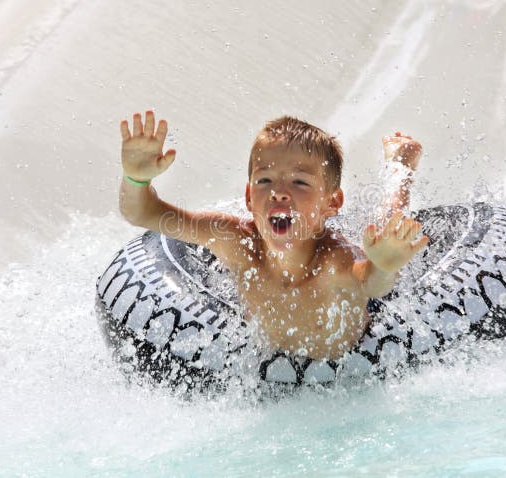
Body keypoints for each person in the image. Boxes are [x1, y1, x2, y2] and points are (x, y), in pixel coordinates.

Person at [119, 111, 428, 361]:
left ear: (332, 203)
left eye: (299, 182)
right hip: (276, 354)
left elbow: (373, 285)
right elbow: (143, 214)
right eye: (265, 179)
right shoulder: (234, 240)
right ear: (249, 197)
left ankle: (400, 170)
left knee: (386, 234)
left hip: (357, 344)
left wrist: (386, 264)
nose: (279, 193)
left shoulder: (334, 260)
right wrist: (136, 178)